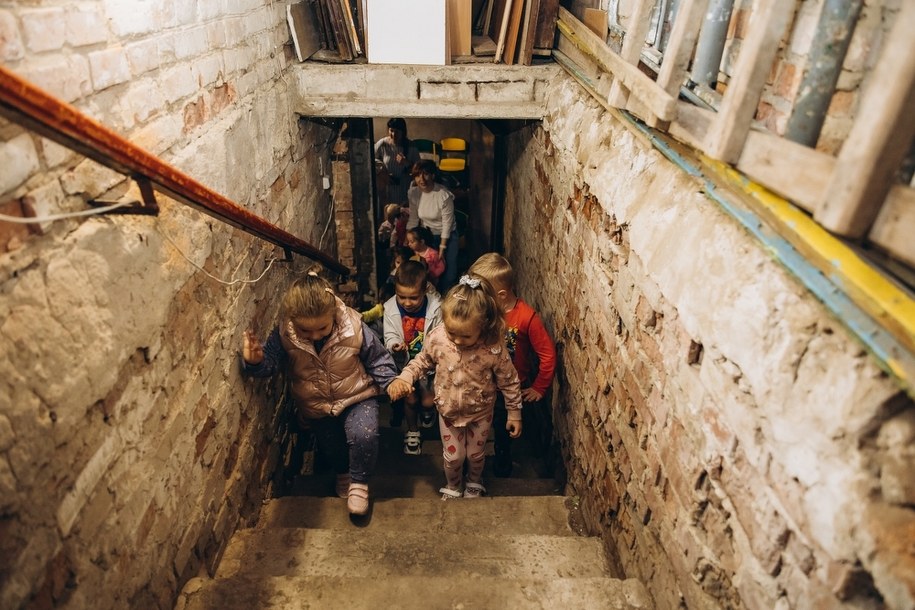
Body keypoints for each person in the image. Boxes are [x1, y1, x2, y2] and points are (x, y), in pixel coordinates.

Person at [241, 269, 397, 515]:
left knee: (364, 435)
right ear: (292, 320)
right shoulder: (285, 334)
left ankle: (359, 482)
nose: (314, 336)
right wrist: (256, 361)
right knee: (332, 447)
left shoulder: (354, 327)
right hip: (316, 404)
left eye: (322, 328)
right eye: (306, 331)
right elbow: (270, 364)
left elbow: (378, 358)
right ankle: (343, 472)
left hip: (358, 395)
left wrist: (390, 382)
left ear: (334, 313)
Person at [387, 274, 522, 500]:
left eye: (466, 335)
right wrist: (405, 377)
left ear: (484, 325)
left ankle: (474, 483)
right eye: (452, 333)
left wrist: (514, 413)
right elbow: (422, 360)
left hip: (481, 413)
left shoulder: (492, 346)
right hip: (448, 411)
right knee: (454, 457)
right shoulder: (438, 337)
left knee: (476, 454)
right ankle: (453, 484)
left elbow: (509, 380)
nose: (457, 340)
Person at [468, 253, 557, 477]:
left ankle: (502, 458)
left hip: (511, 386)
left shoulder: (527, 317)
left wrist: (539, 387)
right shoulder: (484, 311)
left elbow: (547, 354)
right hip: (481, 383)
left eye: (482, 294)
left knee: (503, 425)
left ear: (500, 295)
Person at [383, 260, 443, 454]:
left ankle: (427, 412)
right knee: (410, 400)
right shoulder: (390, 308)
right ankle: (412, 431)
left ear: (425, 290)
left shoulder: (436, 308)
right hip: (404, 365)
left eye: (413, 298)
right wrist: (394, 345)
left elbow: (442, 335)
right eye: (402, 297)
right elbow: (389, 334)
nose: (407, 303)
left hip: (429, 365)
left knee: (427, 401)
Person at [407, 160, 459, 290]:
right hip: (427, 236)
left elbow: (447, 224)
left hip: (447, 236)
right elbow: (413, 218)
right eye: (418, 175)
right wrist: (407, 239)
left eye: (426, 174)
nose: (422, 179)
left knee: (449, 273)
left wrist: (442, 248)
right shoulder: (414, 193)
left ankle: (447, 300)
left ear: (433, 175)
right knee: (428, 273)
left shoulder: (443, 195)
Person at [375, 118, 419, 206]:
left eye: (397, 132)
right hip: (387, 189)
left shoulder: (411, 146)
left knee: (403, 214)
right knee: (389, 214)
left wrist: (406, 163)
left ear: (403, 132)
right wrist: (382, 171)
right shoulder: (383, 144)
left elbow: (419, 170)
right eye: (391, 131)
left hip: (404, 188)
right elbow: (371, 160)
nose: (394, 134)